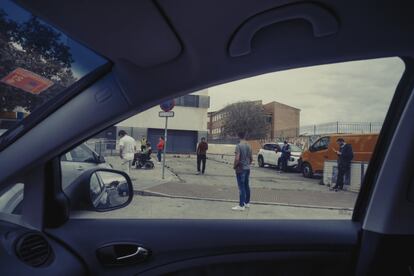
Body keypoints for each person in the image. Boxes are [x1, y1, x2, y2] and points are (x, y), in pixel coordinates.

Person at [232, 132, 253, 211]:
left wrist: (234, 166)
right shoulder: (249, 146)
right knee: (246, 185)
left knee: (241, 187)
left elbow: (237, 158)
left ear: (238, 136)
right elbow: (251, 158)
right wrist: (247, 164)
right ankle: (247, 203)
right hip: (247, 169)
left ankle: (241, 205)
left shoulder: (238, 146)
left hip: (240, 169)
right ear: (245, 136)